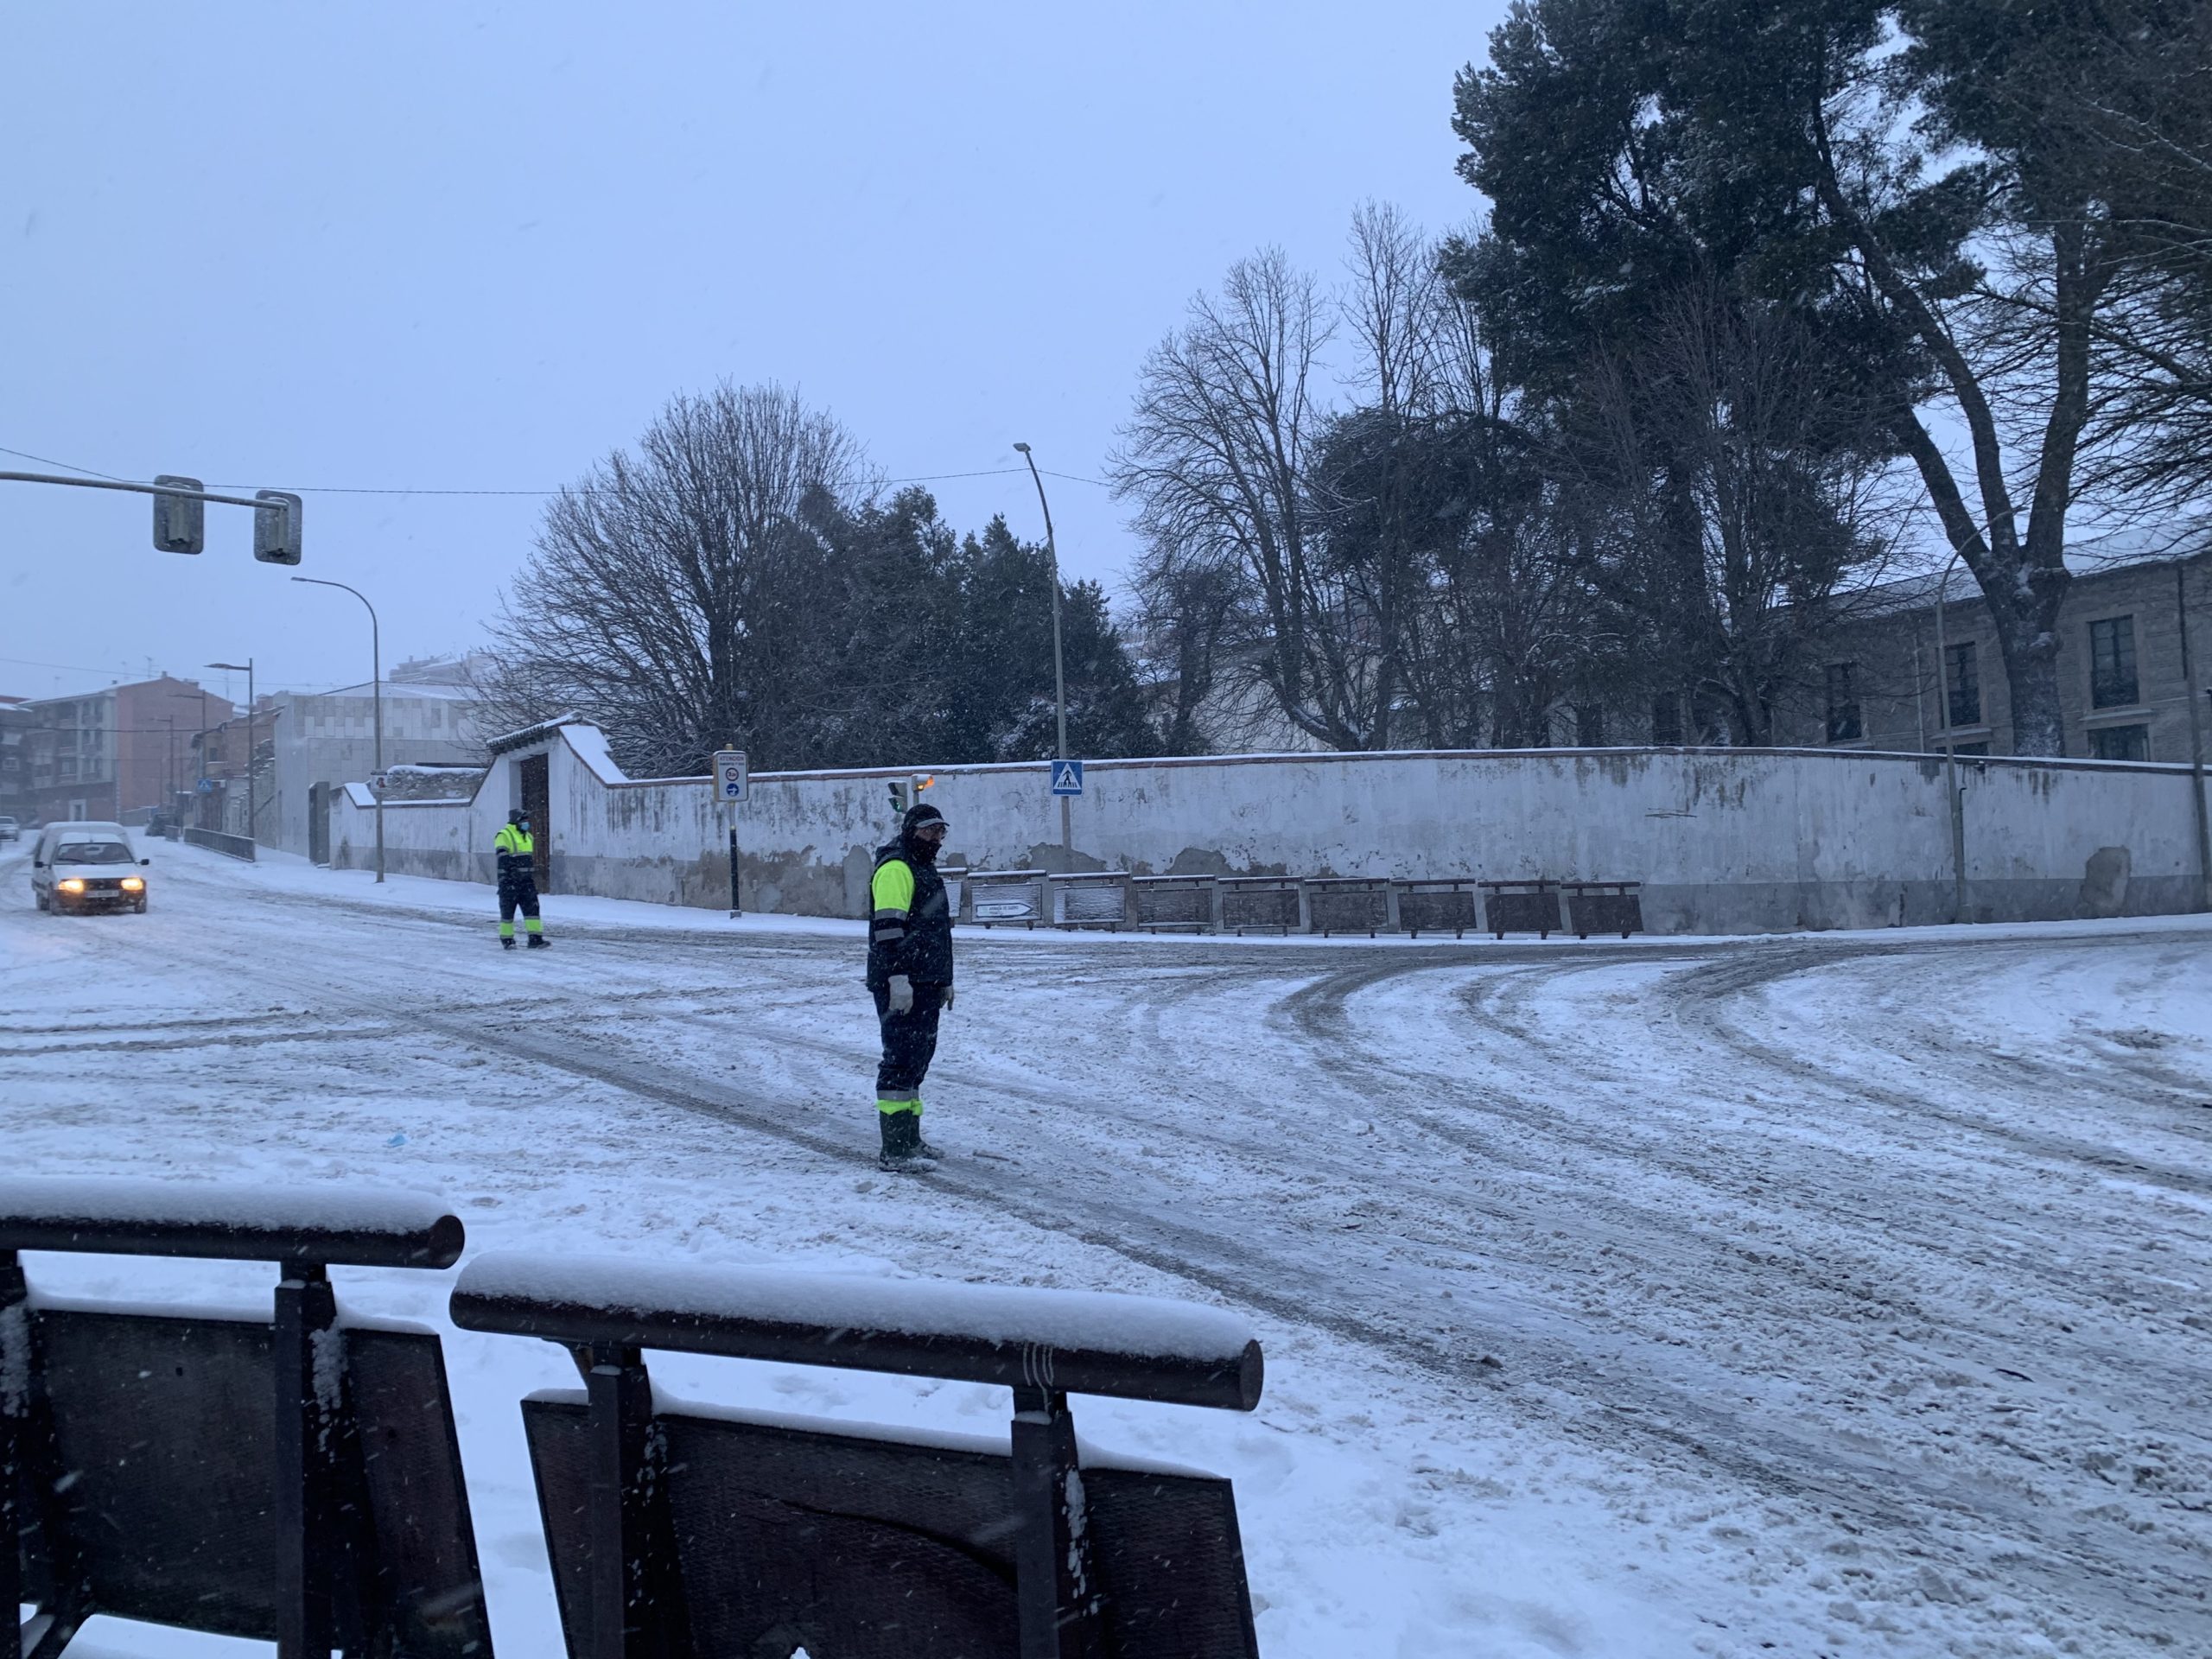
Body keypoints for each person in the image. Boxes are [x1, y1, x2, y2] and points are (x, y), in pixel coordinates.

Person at [866, 802, 955, 1170]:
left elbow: (934, 931)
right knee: (900, 1061)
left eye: (939, 832)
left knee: (917, 1061)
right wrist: (897, 977)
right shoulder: (897, 869)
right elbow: (888, 930)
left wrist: (944, 980)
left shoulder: (922, 868)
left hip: (925, 980)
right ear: (910, 831)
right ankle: (895, 1150)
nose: (935, 838)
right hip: (903, 982)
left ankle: (910, 1140)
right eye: (928, 831)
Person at [494, 807, 549, 950]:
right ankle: (507, 940)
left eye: (527, 821)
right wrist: (512, 870)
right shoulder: (504, 835)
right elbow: (502, 855)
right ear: (516, 821)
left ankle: (535, 939)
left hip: (526, 881)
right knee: (508, 912)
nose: (527, 823)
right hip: (509, 881)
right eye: (524, 820)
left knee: (532, 910)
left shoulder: (528, 837)